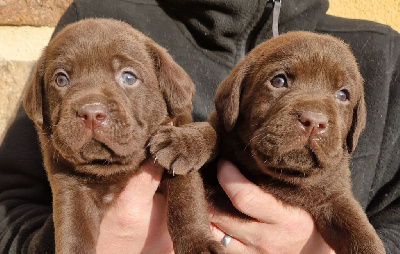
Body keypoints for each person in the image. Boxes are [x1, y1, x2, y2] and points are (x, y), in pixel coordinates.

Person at [0, 0, 399, 253]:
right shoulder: (97, 15)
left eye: (343, 97)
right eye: (278, 81)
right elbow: (10, 211)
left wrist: (320, 248)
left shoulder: (384, 54)